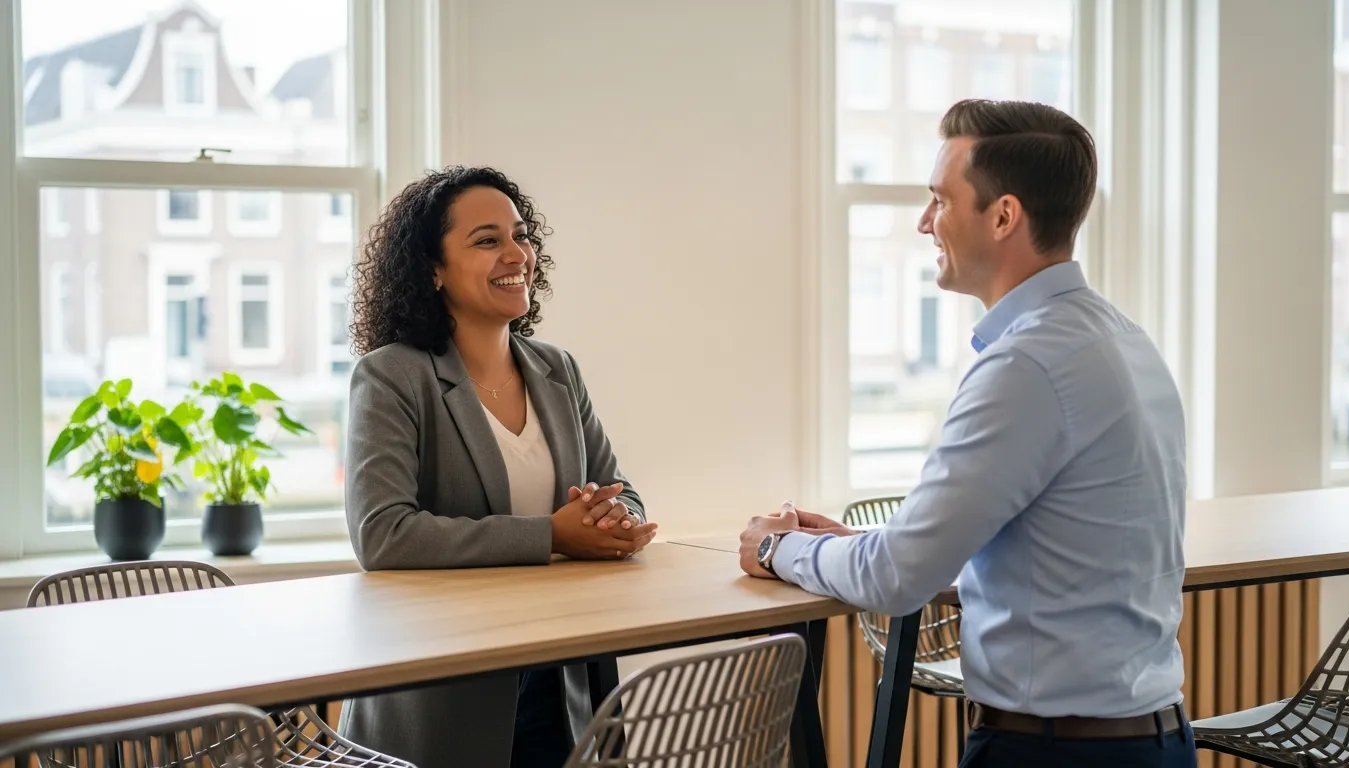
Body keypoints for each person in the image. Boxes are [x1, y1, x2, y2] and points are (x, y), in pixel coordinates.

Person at [739, 100, 1192, 768]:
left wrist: (777, 548)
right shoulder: (1123, 340)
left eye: (939, 201)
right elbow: (1039, 551)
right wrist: (855, 543)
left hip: (1052, 754)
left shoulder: (1026, 365)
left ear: (1004, 216)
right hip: (1151, 740)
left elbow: (896, 581)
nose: (925, 223)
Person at [341, 165, 658, 768]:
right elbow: (383, 535)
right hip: (444, 687)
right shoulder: (390, 376)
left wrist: (619, 521)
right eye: (487, 240)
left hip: (562, 678)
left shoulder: (556, 369)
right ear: (431, 270)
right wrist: (554, 535)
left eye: (520, 234)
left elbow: (623, 490)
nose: (517, 253)